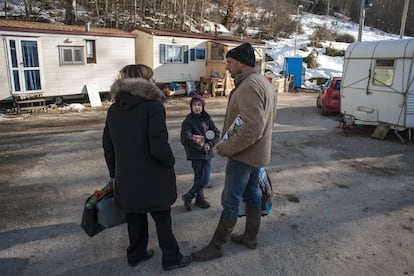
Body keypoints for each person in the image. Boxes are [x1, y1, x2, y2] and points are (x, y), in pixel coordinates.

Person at [192, 42, 277, 261]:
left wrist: (228, 147)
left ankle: (217, 246)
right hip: (256, 154)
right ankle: (250, 236)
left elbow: (253, 126)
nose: (227, 67)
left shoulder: (249, 86)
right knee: (252, 194)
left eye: (229, 62)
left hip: (244, 155)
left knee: (231, 199)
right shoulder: (261, 82)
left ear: (241, 63)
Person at [102, 64, 192, 271]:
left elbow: (108, 145)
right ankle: (171, 257)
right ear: (145, 81)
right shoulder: (153, 107)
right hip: (154, 175)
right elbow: (158, 146)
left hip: (127, 175)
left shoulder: (114, 109)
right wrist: (170, 162)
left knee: (134, 216)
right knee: (162, 218)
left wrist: (114, 173)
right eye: (151, 77)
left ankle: (136, 254)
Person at [181, 94, 220, 211]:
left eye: (199, 105)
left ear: (203, 106)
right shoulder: (188, 121)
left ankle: (189, 196)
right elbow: (185, 139)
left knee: (205, 178)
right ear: (191, 106)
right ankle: (199, 198)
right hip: (195, 155)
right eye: (194, 105)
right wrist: (200, 147)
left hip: (207, 154)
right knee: (199, 177)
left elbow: (216, 133)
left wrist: (210, 143)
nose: (197, 107)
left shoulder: (208, 119)